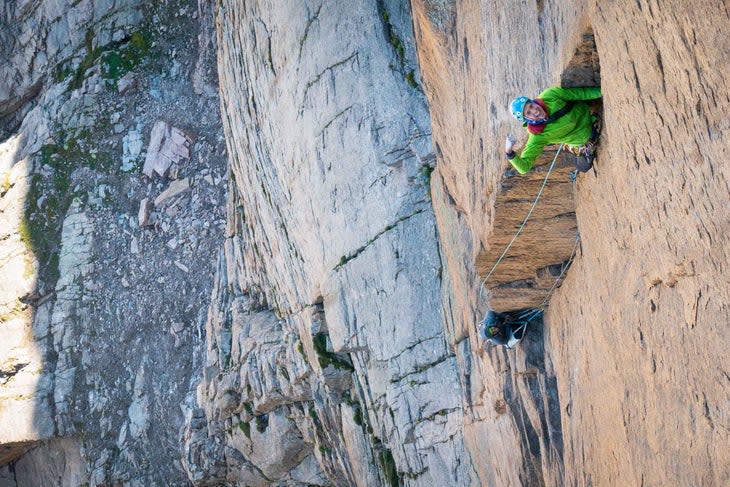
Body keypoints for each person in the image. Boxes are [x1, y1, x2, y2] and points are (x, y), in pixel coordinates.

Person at [505, 86, 602, 174]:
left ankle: (571, 149)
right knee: (582, 167)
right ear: (527, 120)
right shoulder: (537, 136)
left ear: (533, 101)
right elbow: (524, 168)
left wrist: (602, 91)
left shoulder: (550, 96)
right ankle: (572, 151)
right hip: (586, 135)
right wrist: (509, 152)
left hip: (588, 124)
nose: (535, 111)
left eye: (531, 106)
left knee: (582, 166)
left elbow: (578, 93)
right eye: (528, 113)